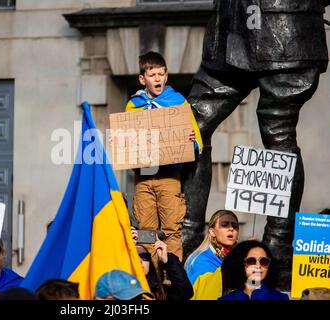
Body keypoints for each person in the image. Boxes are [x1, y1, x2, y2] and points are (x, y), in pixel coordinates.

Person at [181, 0, 330, 291]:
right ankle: (185, 235)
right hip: (229, 33)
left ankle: (277, 245)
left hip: (286, 31)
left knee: (279, 131)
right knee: (190, 126)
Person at [125, 51, 203, 264]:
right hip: (143, 176)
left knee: (172, 229)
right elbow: (127, 138)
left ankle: (172, 280)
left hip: (169, 175)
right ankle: (153, 280)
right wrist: (120, 141)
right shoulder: (134, 105)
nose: (157, 78)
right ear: (143, 79)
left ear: (167, 76)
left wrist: (191, 140)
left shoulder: (178, 102)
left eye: (161, 74)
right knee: (145, 231)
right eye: (152, 75)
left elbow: (197, 143)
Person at [184, 209, 239, 300]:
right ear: (212, 232)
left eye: (235, 226)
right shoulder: (200, 260)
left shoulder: (238, 258)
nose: (231, 228)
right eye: (225, 225)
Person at [131, 227, 193, 300]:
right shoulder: (116, 292)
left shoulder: (160, 292)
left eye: (144, 256)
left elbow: (185, 293)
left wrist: (168, 260)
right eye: (132, 255)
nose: (139, 260)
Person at [219, 240, 289, 300]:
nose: (258, 266)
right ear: (239, 264)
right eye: (251, 261)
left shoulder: (281, 298)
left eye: (264, 261)